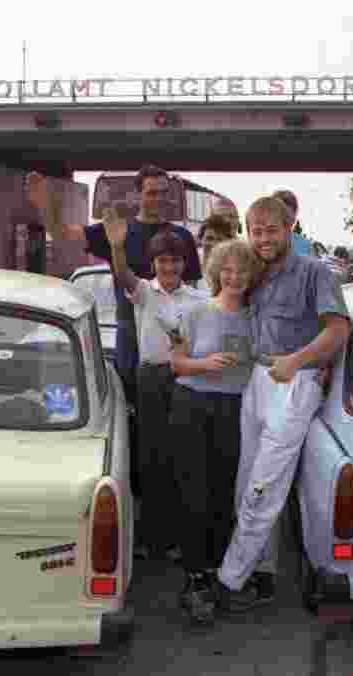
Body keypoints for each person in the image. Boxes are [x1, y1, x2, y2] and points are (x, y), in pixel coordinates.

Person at [213, 195, 350, 612]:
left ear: (289, 228)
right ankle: (263, 572)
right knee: (246, 483)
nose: (264, 239)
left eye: (272, 230)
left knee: (264, 486)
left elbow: (338, 330)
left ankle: (230, 581)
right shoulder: (253, 271)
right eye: (256, 231)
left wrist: (299, 361)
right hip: (258, 380)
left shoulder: (314, 273)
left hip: (293, 383)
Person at [32, 165, 203, 492]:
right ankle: (133, 491)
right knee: (130, 418)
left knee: (175, 425)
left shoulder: (180, 238)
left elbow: (191, 293)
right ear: (138, 194)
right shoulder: (117, 230)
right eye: (152, 192)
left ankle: (173, 493)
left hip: (172, 343)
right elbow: (63, 233)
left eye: (164, 193)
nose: (158, 199)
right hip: (129, 338)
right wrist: (47, 206)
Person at [104, 208, 208, 561]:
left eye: (175, 260)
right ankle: (151, 539)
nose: (169, 267)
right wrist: (117, 247)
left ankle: (179, 538)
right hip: (150, 378)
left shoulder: (199, 300)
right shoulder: (144, 292)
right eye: (163, 260)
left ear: (184, 263)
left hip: (185, 378)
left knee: (182, 457)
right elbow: (122, 276)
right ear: (154, 263)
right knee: (151, 458)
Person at [169, 238, 258, 624]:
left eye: (242, 271)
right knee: (193, 490)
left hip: (235, 408)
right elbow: (177, 364)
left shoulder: (257, 317)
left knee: (225, 491)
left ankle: (220, 571)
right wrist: (205, 364)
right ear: (216, 273)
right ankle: (194, 577)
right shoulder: (194, 311)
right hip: (192, 405)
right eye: (227, 270)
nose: (234, 277)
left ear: (252, 275)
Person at [196, 214, 236, 293]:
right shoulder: (190, 265)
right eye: (209, 238)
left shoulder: (235, 272)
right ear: (200, 239)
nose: (214, 244)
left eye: (219, 239)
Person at [271, 190, 313, 257]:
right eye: (281, 215)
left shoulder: (305, 245)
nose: (285, 221)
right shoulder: (260, 244)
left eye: (289, 216)